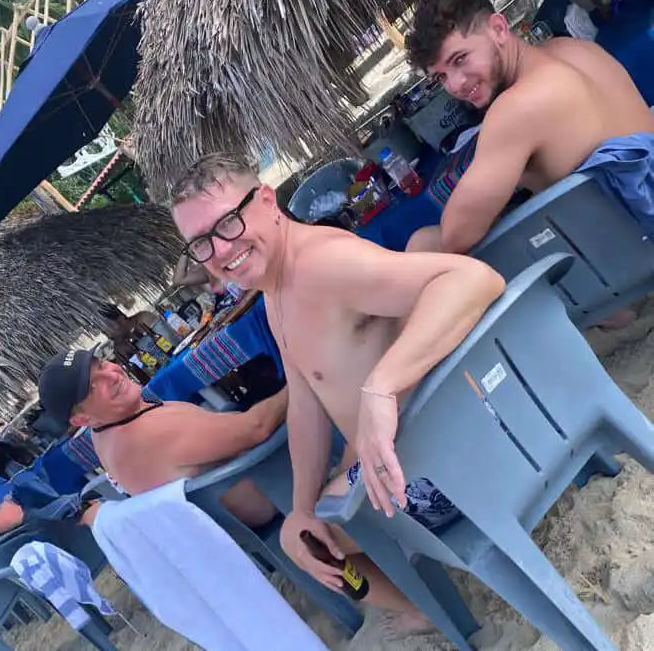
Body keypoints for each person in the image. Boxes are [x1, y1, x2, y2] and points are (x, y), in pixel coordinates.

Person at [170, 153, 505, 632]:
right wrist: (303, 506)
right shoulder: (275, 291)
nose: (221, 250)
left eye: (228, 222)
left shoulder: (321, 263)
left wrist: (381, 388)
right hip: (407, 461)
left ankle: (423, 610)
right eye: (202, 242)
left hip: (445, 470)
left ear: (266, 200)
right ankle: (418, 605)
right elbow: (306, 404)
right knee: (301, 531)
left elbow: (473, 279)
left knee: (311, 543)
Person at [404, 0, 654, 259]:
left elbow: (455, 236)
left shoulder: (515, 110)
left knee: (422, 244)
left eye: (460, 59)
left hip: (627, 247)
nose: (455, 85)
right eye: (441, 76)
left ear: (499, 29)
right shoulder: (571, 48)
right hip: (639, 208)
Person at [38, 349, 287, 527]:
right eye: (93, 387)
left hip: (240, 515)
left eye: (102, 364)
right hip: (278, 496)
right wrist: (302, 379)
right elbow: (257, 428)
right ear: (81, 420)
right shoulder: (144, 433)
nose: (112, 375)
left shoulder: (105, 433)